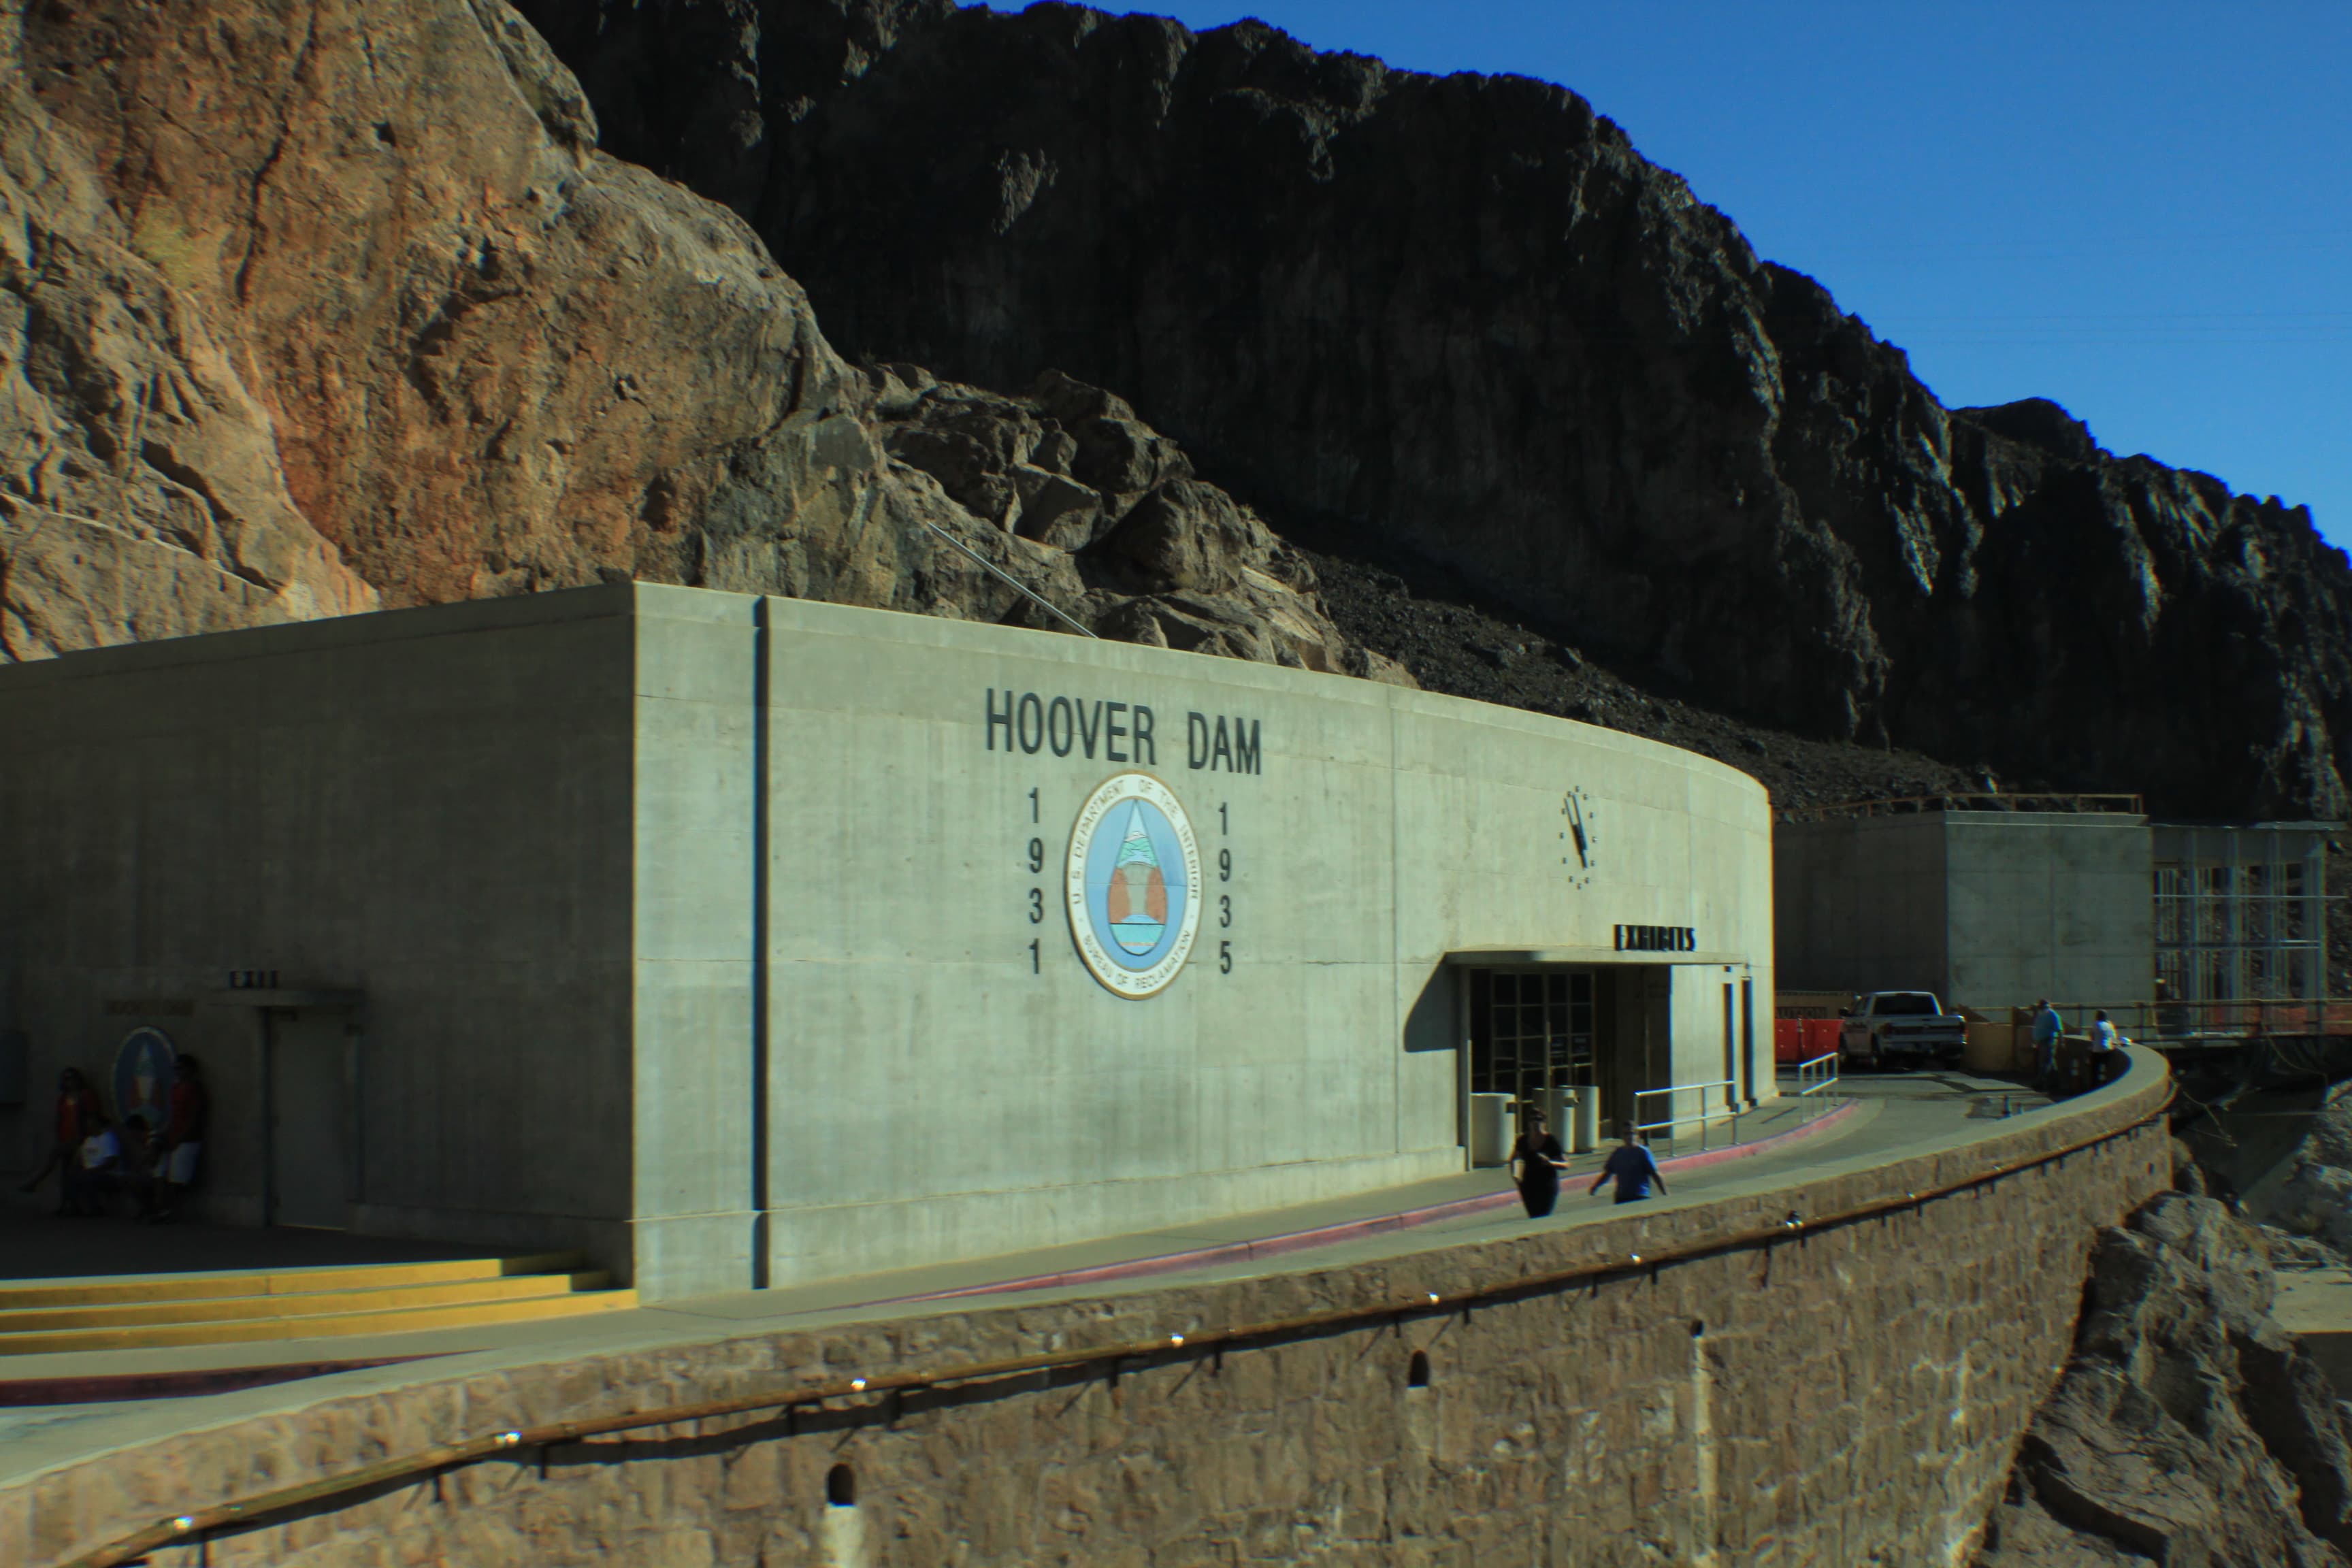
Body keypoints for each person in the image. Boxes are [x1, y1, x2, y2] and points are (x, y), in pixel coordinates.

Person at [19, 1067, 102, 1205]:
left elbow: (91, 1118)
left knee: (61, 1158)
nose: (71, 1083)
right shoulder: (63, 1099)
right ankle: (67, 1204)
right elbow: (60, 1120)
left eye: (73, 1079)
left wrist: (86, 1137)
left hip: (82, 1139)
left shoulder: (85, 1095)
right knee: (66, 1172)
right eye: (67, 1080)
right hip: (66, 1139)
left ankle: (36, 1181)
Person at [151, 1054, 209, 1222]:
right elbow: (173, 1115)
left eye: (182, 1068)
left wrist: (181, 1137)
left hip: (188, 1138)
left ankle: (167, 1210)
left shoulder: (195, 1089)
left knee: (177, 1179)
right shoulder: (175, 1088)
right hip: (173, 1134)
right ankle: (158, 1206)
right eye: (176, 1069)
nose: (179, 1072)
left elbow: (195, 1117)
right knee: (159, 1170)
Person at [62, 1113, 124, 1218]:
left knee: (89, 1178)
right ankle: (74, 1207)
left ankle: (95, 1209)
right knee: (72, 1176)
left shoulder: (108, 1138)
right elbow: (78, 1160)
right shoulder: (88, 1140)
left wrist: (94, 1170)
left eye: (91, 1123)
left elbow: (112, 1161)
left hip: (106, 1173)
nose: (88, 1126)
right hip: (88, 1172)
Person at [1509, 1107, 1568, 1218]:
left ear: (1544, 1122)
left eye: (1539, 1119)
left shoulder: (1551, 1140)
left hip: (1547, 1184)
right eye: (1533, 1120)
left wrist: (1550, 1163)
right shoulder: (1523, 1140)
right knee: (1533, 1216)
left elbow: (1566, 1164)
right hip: (1529, 1184)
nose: (1536, 1123)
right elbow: (1514, 1158)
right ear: (1529, 1123)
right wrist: (1515, 1176)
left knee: (1544, 1215)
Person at [1590, 1128, 1667, 1206]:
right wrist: (1596, 1186)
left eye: (1632, 1134)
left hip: (1640, 1195)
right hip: (1622, 1197)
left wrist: (1665, 1193)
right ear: (1622, 1136)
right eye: (1626, 1134)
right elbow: (1608, 1173)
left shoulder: (1643, 1152)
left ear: (1637, 1136)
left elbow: (1654, 1173)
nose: (1629, 1136)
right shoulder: (1618, 1153)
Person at [2030, 1000, 2063, 1089]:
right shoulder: (2041, 1015)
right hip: (2041, 1042)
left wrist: (2061, 1042)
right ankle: (2056, 1083)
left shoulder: (2053, 1015)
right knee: (2049, 1063)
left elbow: (2059, 1030)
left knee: (2045, 1063)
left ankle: (2040, 1082)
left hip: (2049, 1041)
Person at [2087, 1010, 2121, 1085]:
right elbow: (2114, 1037)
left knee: (2094, 1069)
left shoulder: (2096, 1024)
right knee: (2107, 1069)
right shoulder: (2110, 1025)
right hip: (2108, 1050)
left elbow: (2092, 1037)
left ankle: (2094, 1084)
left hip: (2097, 1050)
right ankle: (2108, 1082)